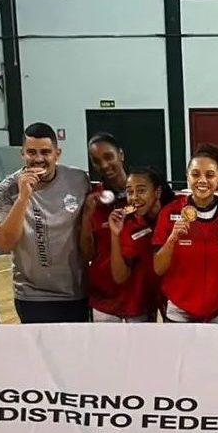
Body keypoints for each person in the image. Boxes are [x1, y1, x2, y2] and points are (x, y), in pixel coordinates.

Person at [0, 122, 90, 323]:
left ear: (57, 153)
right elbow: (4, 243)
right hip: (32, 295)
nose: (38, 159)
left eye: (45, 152)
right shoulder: (6, 190)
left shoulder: (79, 180)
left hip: (75, 292)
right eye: (31, 152)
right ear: (22, 154)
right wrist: (23, 198)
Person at [152, 143, 218, 323]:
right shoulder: (169, 213)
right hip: (179, 308)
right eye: (195, 174)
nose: (202, 180)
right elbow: (158, 268)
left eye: (209, 175)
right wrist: (172, 240)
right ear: (187, 177)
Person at [80, 133, 129, 322]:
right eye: (96, 161)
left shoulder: (143, 194)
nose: (104, 165)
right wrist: (86, 216)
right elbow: (87, 255)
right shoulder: (93, 199)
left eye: (109, 157)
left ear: (121, 155)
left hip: (141, 299)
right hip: (105, 300)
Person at [105, 168, 165, 323]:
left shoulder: (173, 217)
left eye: (141, 191)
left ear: (157, 192)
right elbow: (119, 277)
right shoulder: (129, 225)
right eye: (130, 192)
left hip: (171, 302)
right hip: (138, 309)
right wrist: (115, 234)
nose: (134, 198)